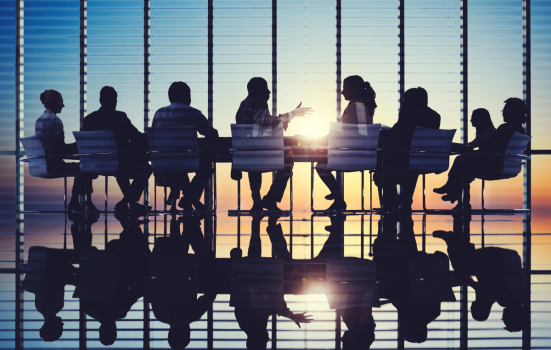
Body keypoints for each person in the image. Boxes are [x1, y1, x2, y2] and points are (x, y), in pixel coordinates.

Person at [433, 213, 529, 332]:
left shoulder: (521, 296)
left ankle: (459, 233)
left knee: (466, 263)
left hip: (508, 256)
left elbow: (487, 281)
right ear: (512, 317)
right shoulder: (506, 300)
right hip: (497, 259)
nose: (502, 318)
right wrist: (466, 281)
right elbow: (483, 285)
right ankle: (451, 239)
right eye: (505, 319)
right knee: (461, 266)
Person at [235, 77, 313, 212]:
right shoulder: (258, 102)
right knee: (288, 161)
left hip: (247, 154)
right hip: (261, 153)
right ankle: (271, 199)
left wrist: (279, 122)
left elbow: (260, 125)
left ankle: (257, 201)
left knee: (253, 164)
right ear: (258, 91)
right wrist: (291, 115)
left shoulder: (244, 105)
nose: (269, 92)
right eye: (265, 88)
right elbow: (264, 121)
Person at [433, 98, 527, 208]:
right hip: (507, 166)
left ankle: (452, 191)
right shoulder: (520, 130)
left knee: (460, 161)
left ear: (512, 112)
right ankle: (455, 194)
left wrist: (470, 152)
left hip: (495, 164)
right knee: (463, 163)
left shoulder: (505, 128)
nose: (503, 113)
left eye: (505, 110)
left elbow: (488, 148)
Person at [83, 86, 152, 215]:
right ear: (114, 101)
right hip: (119, 163)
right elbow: (135, 136)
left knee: (121, 166)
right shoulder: (119, 117)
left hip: (95, 164)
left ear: (100, 100)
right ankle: (127, 202)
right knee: (146, 168)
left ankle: (128, 203)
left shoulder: (89, 120)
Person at [150, 214, 215, 350]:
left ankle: (191, 227)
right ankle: (180, 225)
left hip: (186, 266)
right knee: (176, 260)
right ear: (170, 333)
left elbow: (210, 295)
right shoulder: (159, 314)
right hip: (162, 261)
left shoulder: (192, 315)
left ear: (187, 333)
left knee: (206, 259)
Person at [152, 81, 219, 212]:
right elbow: (211, 133)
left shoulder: (158, 114)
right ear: (187, 96)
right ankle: (189, 199)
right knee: (206, 168)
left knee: (179, 167)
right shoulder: (192, 113)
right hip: (185, 160)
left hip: (162, 163)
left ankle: (189, 199)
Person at [316, 75, 377, 211]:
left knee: (321, 165)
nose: (342, 92)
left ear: (353, 87)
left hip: (352, 156)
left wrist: (322, 139)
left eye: (345, 88)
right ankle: (337, 195)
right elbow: (356, 131)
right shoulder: (365, 106)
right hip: (365, 157)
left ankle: (338, 198)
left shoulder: (356, 106)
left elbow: (343, 131)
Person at [375, 87, 441, 212]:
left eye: (404, 100)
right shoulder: (435, 116)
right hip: (425, 159)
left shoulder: (407, 113)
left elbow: (400, 134)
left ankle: (392, 201)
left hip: (403, 157)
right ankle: (405, 200)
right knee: (412, 162)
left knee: (381, 164)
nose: (403, 103)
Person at [35, 89, 97, 212]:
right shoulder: (55, 120)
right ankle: (82, 203)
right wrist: (78, 145)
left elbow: (52, 145)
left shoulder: (39, 120)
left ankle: (78, 203)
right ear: (53, 102)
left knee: (84, 169)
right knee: (87, 169)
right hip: (54, 163)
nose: (63, 105)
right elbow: (61, 148)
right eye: (61, 102)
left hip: (43, 163)